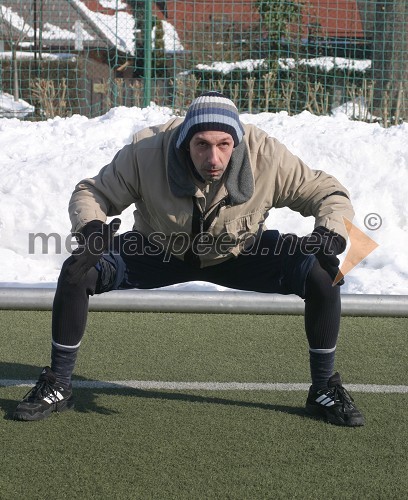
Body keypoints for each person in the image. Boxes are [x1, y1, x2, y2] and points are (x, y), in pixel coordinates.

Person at [14, 92, 364, 426]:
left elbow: (327, 192)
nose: (213, 159)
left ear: (237, 142)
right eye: (202, 145)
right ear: (185, 141)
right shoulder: (146, 151)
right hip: (157, 249)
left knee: (322, 273)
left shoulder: (266, 156)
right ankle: (59, 383)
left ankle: (322, 389)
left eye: (224, 145)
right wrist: (91, 229)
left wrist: (330, 233)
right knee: (79, 270)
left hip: (241, 251)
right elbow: (93, 191)